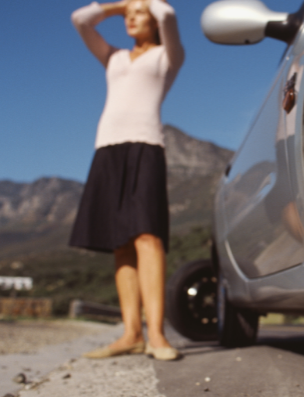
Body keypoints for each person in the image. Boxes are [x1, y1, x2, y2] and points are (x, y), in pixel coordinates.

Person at [69, 0, 184, 360]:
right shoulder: (114, 57)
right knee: (120, 243)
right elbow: (80, 19)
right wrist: (119, 7)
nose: (132, 19)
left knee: (147, 236)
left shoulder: (168, 56)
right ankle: (131, 333)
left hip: (146, 147)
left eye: (139, 14)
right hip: (107, 148)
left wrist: (144, 4)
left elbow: (167, 14)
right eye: (129, 17)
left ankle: (158, 336)